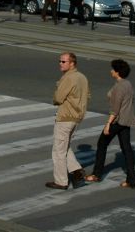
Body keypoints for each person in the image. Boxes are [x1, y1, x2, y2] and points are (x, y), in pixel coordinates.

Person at [85, 58, 135, 189]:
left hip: (117, 121)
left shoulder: (119, 87)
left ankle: (97, 174)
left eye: (113, 69)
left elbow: (115, 109)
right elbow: (131, 101)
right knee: (126, 149)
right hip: (126, 121)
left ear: (117, 72)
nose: (111, 71)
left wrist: (108, 124)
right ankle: (131, 180)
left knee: (102, 144)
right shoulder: (128, 84)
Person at [46, 52, 89, 190]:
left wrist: (55, 96)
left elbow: (58, 98)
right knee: (65, 146)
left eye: (64, 61)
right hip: (77, 117)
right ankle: (77, 171)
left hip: (65, 117)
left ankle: (61, 181)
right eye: (60, 61)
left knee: (58, 150)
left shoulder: (69, 78)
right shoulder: (82, 77)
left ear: (72, 63)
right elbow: (87, 95)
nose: (60, 63)